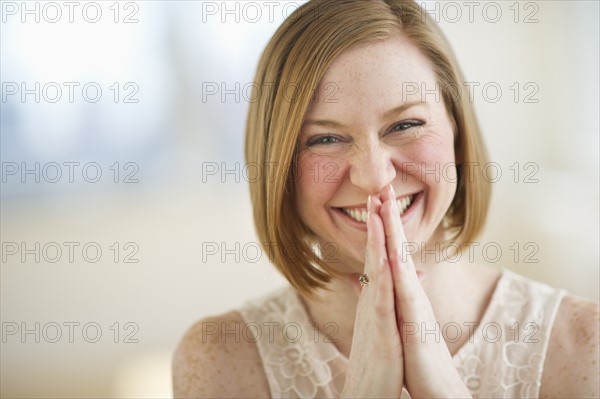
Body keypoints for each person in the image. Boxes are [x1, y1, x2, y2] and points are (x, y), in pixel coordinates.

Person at [173, 1, 599, 397]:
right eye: (325, 138)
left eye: (405, 124)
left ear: (457, 130)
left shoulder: (584, 344)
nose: (376, 177)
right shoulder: (220, 360)